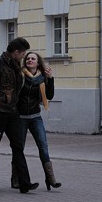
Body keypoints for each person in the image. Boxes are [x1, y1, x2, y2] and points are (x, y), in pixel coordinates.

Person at [0, 37, 37, 193]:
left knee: (18, 147)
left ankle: (24, 183)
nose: (24, 56)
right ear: (16, 52)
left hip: (13, 112)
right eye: (23, 53)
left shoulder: (16, 67)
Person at [18, 51, 61, 191]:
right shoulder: (20, 75)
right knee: (18, 148)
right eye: (28, 58)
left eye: (33, 58)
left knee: (43, 146)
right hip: (20, 118)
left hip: (36, 117)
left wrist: (51, 78)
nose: (30, 60)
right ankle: (16, 179)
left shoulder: (43, 78)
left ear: (38, 62)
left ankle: (50, 178)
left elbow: (49, 95)